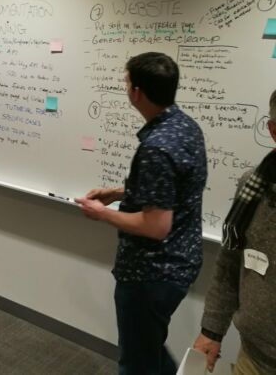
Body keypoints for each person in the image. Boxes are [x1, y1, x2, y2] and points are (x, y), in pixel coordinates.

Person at [75, 52, 207, 375]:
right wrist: (117, 193)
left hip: (151, 273)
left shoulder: (157, 147)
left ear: (136, 91)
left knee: (136, 362)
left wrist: (100, 213)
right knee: (149, 347)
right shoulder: (185, 127)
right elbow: (173, 188)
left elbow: (155, 225)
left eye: (126, 82)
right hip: (181, 261)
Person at [193, 89, 276, 374]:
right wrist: (211, 331)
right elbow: (229, 266)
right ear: (274, 130)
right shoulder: (252, 189)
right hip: (254, 359)